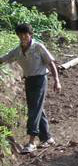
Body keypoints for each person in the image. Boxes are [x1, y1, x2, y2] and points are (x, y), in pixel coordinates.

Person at [0, 23, 61, 153]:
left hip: (40, 79)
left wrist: (57, 80)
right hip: (29, 81)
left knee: (34, 109)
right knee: (38, 108)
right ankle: (47, 138)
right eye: (20, 35)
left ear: (30, 34)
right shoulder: (17, 50)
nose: (23, 37)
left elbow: (50, 63)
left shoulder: (38, 47)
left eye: (25, 35)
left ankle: (31, 142)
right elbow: (4, 58)